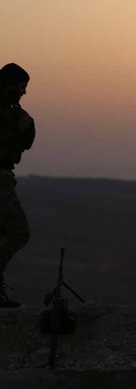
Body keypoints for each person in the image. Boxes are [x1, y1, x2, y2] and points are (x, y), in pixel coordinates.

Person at [0, 63, 35, 308]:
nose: (24, 92)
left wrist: (25, 127)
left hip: (5, 174)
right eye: (21, 86)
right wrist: (17, 128)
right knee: (18, 232)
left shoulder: (12, 109)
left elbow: (25, 143)